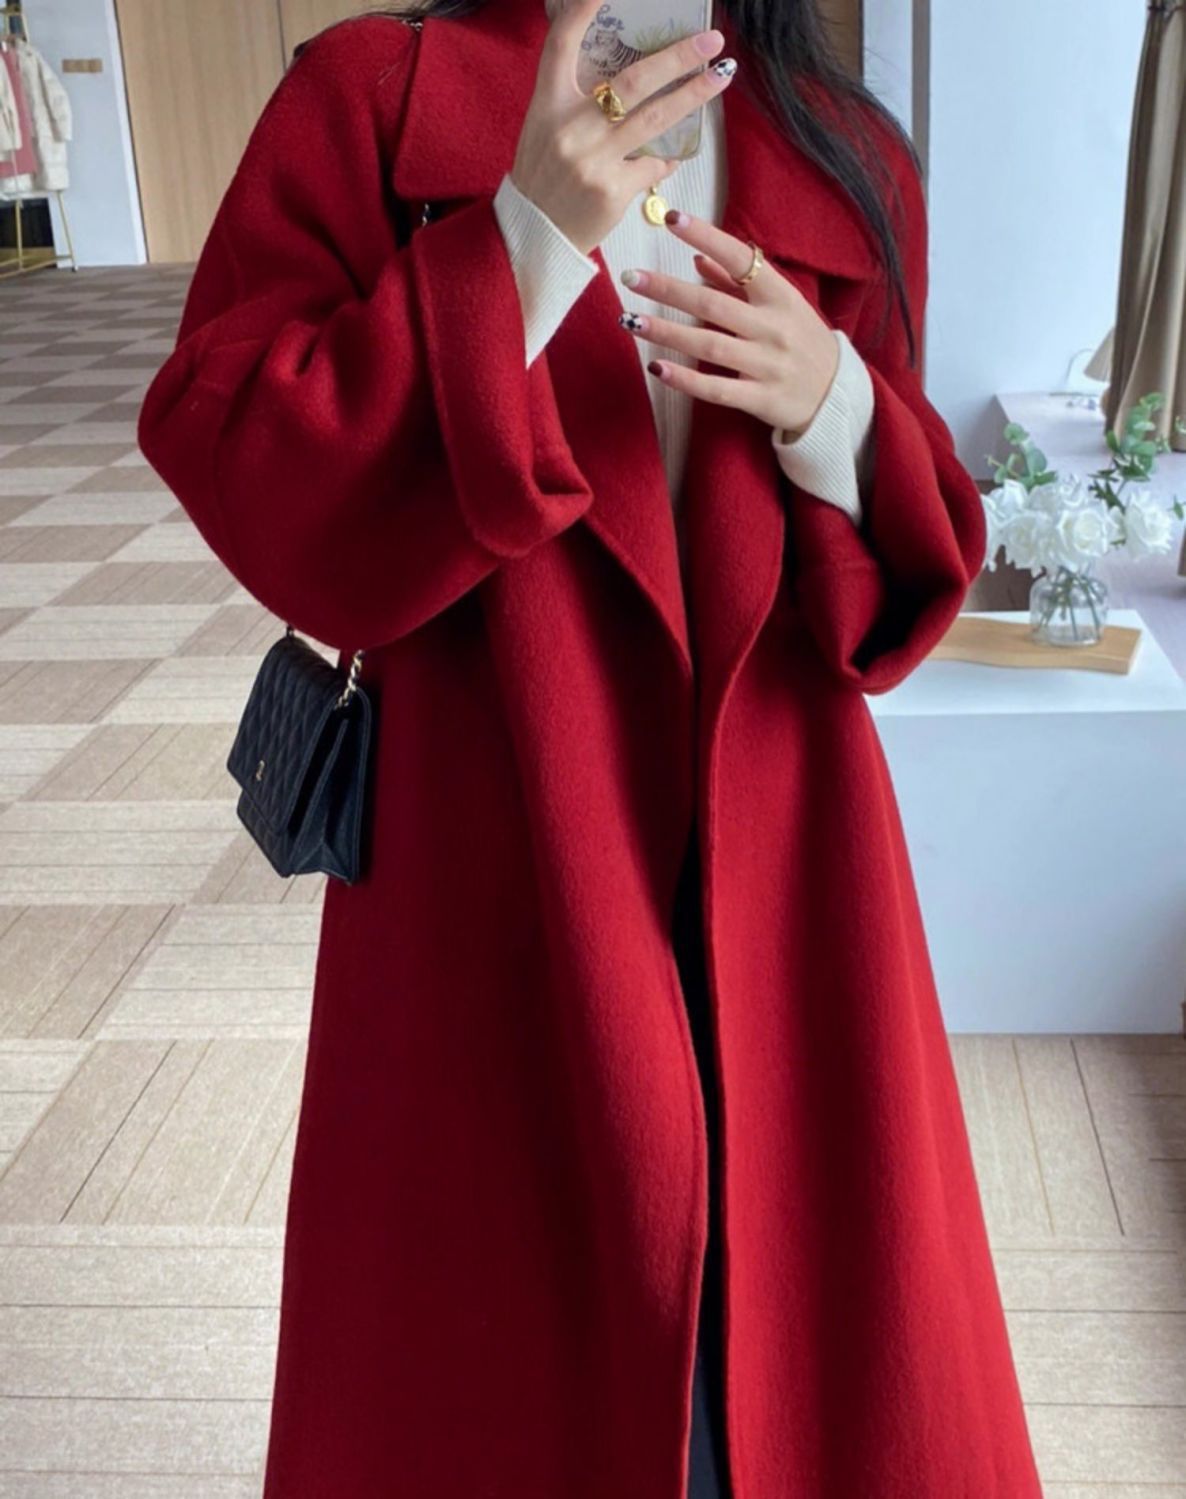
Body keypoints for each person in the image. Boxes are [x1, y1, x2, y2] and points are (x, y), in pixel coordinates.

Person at [137, 0, 1046, 1494]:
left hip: (787, 848)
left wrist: (833, 406)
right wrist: (516, 248)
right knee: (512, 1358)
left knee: (796, 1340)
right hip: (496, 839)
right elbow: (234, 444)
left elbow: (903, 555)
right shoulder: (372, 102)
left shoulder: (842, 151)